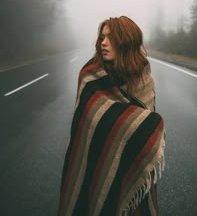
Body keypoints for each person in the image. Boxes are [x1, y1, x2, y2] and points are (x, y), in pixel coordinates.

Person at [58, 16, 165, 216]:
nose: (103, 43)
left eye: (111, 38)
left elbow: (143, 130)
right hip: (94, 162)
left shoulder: (144, 79)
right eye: (102, 37)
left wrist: (145, 127)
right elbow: (88, 125)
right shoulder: (90, 76)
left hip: (130, 164)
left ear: (126, 42)